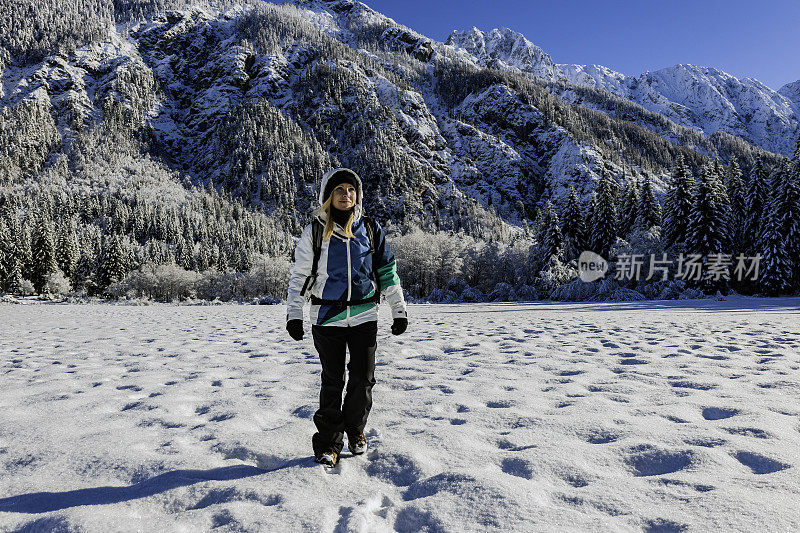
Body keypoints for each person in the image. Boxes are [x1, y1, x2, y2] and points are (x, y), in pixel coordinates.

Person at [286, 168, 408, 467]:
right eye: (339, 189)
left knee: (363, 379)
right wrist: (294, 315)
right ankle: (328, 444)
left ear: (358, 194)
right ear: (329, 196)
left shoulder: (369, 227)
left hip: (365, 314)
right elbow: (301, 275)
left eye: (351, 190)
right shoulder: (315, 230)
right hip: (327, 316)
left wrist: (399, 309)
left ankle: (355, 432)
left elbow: (386, 271)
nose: (346, 194)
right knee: (332, 381)